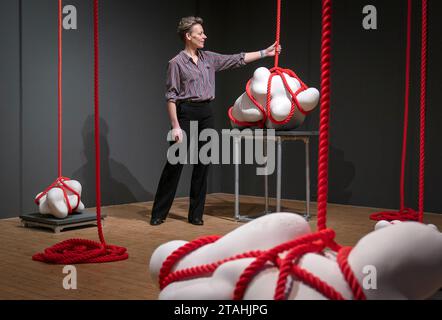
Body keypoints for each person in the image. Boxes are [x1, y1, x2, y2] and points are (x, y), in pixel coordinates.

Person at [150, 16, 281, 226]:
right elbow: (171, 96)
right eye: (200, 33)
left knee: (203, 164)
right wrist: (175, 126)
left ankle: (195, 214)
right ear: (188, 36)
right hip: (185, 112)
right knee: (176, 162)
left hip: (205, 113)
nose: (204, 36)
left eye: (203, 32)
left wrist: (266, 53)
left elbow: (237, 59)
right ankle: (158, 213)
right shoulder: (176, 63)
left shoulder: (208, 58)